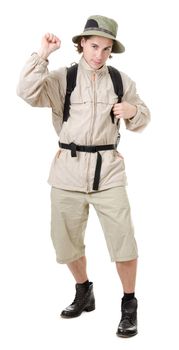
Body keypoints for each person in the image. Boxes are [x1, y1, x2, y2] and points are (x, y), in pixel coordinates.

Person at [17, 15, 150, 338]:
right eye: (94, 46)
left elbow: (143, 116)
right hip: (67, 172)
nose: (99, 55)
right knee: (65, 244)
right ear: (81, 44)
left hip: (109, 173)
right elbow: (26, 91)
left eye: (106, 49)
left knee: (124, 242)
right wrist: (42, 55)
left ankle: (129, 304)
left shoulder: (121, 81)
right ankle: (84, 290)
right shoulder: (64, 78)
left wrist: (133, 112)